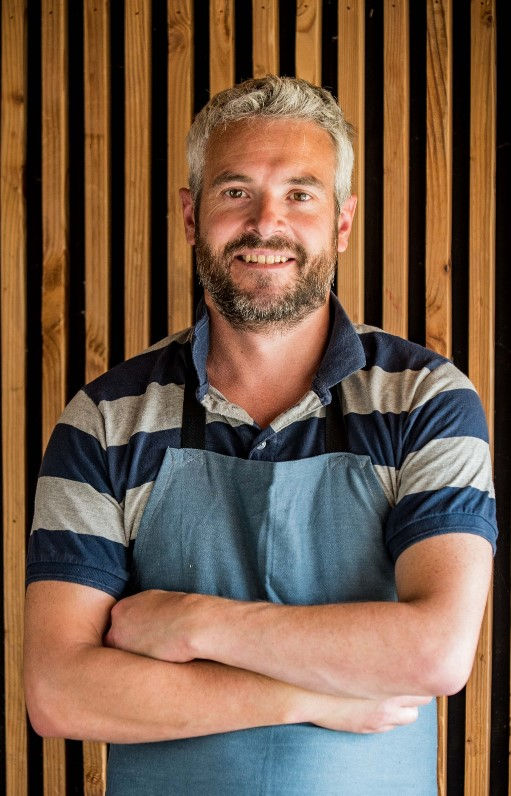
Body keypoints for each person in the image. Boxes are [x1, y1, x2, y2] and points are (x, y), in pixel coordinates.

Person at [24, 76, 496, 795]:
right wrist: (309, 696)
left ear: (341, 223)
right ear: (191, 216)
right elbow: (59, 692)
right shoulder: (105, 420)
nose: (266, 223)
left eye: (300, 194)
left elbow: (435, 652)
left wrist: (191, 623)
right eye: (236, 191)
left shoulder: (422, 399)